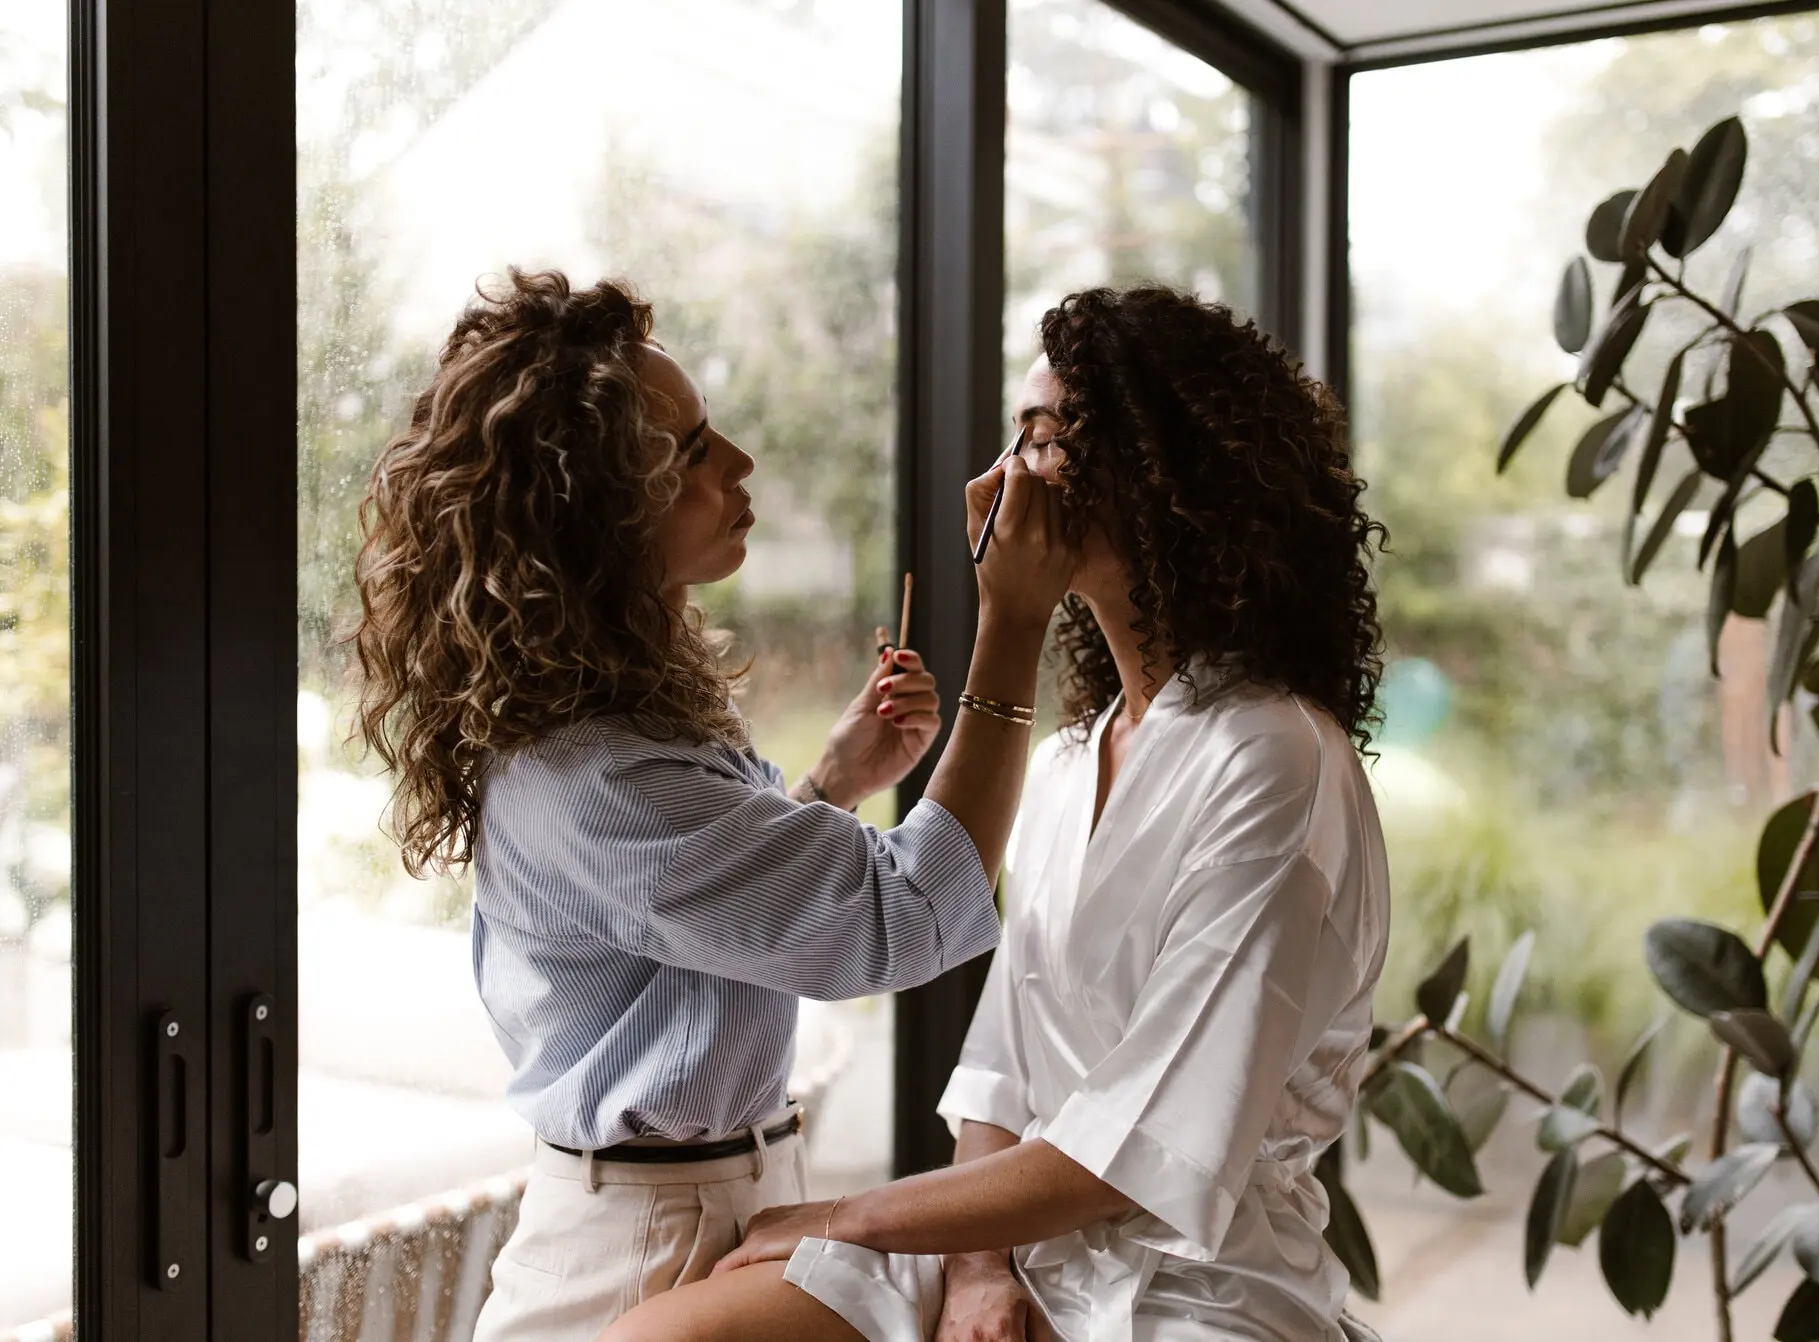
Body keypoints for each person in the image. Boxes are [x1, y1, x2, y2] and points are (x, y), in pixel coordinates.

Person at [597, 283, 1392, 1342]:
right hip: (1015, 1247)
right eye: (1015, 435)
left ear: (1166, 474)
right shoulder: (1072, 758)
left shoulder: (1274, 757)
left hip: (1192, 1286)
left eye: (1048, 437)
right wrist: (974, 1272)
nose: (1003, 478)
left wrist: (848, 1214)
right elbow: (1005, 1065)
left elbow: (1145, 1146)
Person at [349, 268, 1074, 1342]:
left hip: (711, 1198)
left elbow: (677, 931)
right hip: (641, 1247)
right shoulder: (593, 773)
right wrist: (1012, 625)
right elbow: (903, 916)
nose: (736, 463)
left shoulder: (618, 707)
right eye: (688, 450)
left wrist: (826, 786)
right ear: (594, 514)